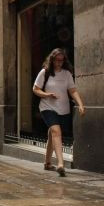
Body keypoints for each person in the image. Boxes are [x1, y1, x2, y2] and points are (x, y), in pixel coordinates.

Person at [33, 48, 85, 177]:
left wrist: (80, 104)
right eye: (57, 60)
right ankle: (61, 164)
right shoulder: (45, 72)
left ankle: (47, 162)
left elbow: (72, 90)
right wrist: (47, 94)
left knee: (52, 133)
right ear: (52, 59)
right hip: (47, 107)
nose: (59, 63)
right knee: (56, 131)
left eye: (61, 61)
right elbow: (35, 89)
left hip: (63, 109)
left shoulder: (67, 74)